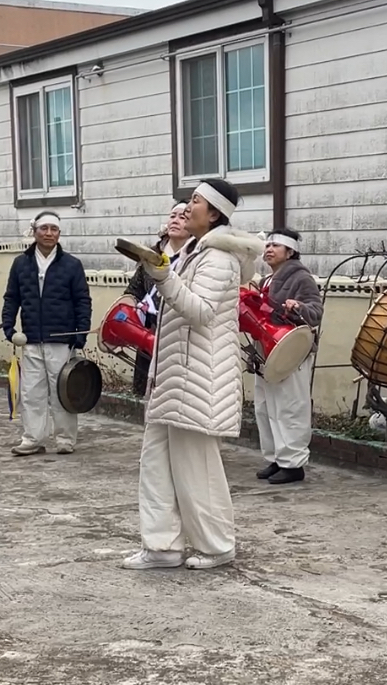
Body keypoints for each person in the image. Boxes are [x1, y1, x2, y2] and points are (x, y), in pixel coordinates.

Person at [123, 179, 263, 570]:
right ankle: (162, 546)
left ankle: (217, 546)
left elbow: (200, 311)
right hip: (174, 377)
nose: (188, 207)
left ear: (214, 213)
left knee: (196, 469)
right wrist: (164, 271)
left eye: (196, 201)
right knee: (156, 465)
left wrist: (163, 275)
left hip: (198, 379)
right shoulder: (194, 251)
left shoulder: (218, 258)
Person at [0, 211, 91, 456]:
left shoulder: (72, 265)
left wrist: (80, 334)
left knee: (63, 392)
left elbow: (82, 301)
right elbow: (12, 298)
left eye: (54, 229)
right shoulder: (21, 264)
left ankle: (65, 439)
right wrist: (9, 328)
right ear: (35, 231)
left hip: (62, 341)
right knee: (31, 393)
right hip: (31, 340)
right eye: (44, 228)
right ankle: (33, 438)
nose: (49, 233)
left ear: (59, 233)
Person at [251, 228, 323, 484]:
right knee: (265, 407)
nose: (269, 249)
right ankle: (276, 458)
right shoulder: (265, 281)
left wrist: (299, 307)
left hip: (292, 350)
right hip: (266, 350)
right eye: (267, 245)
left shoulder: (302, 278)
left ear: (290, 252)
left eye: (276, 246)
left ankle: (293, 464)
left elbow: (316, 311)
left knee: (290, 407)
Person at [117, 200, 195, 396]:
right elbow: (133, 291)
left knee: (176, 393)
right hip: (148, 330)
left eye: (182, 217)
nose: (175, 220)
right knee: (148, 394)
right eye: (172, 216)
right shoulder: (151, 255)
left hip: (178, 332)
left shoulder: (195, 258)